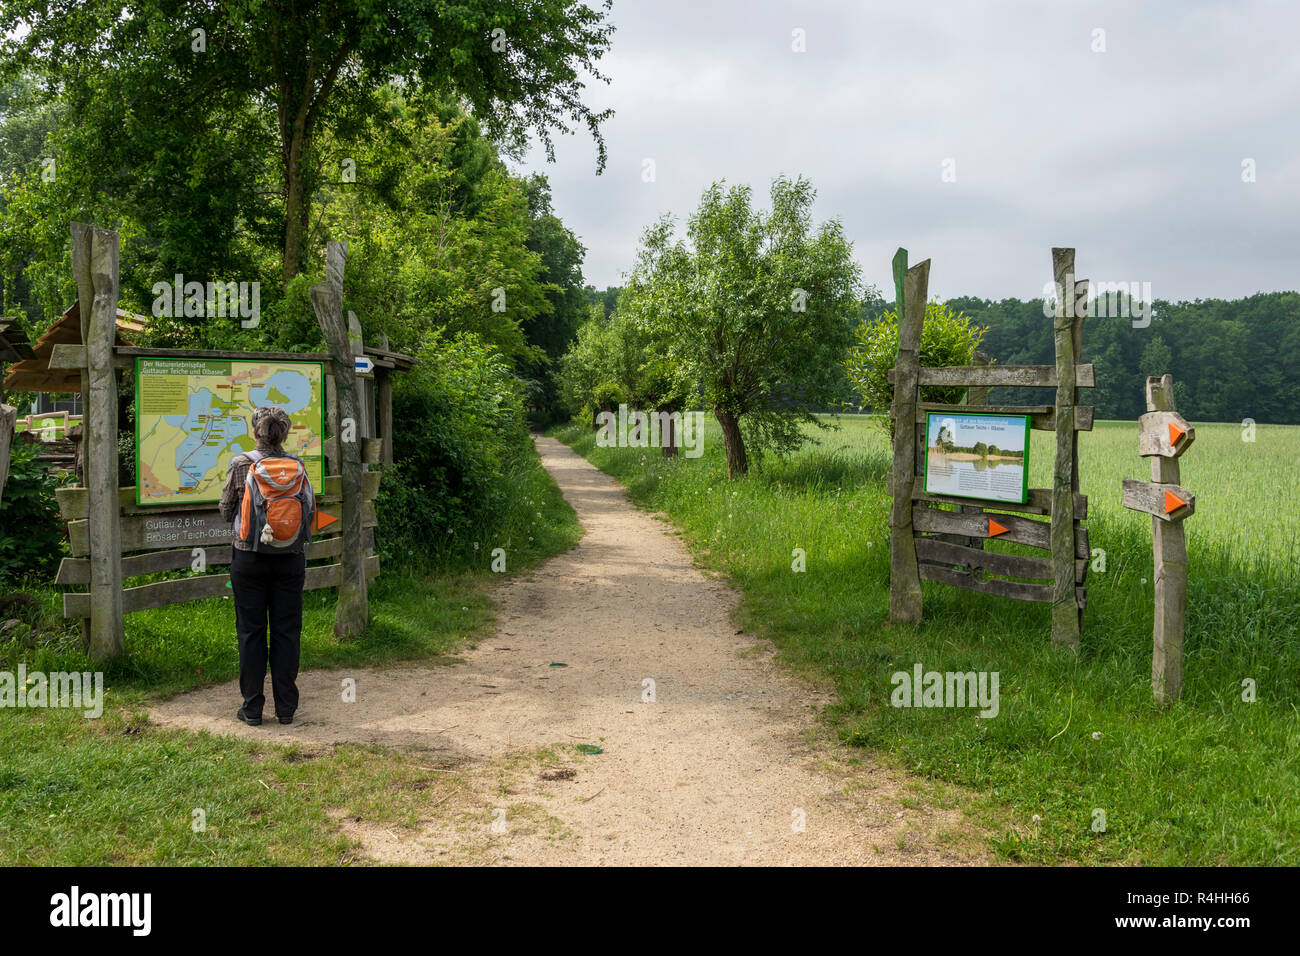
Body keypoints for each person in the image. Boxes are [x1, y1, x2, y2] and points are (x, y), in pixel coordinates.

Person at [218, 406, 314, 726]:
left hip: (249, 557)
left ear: (255, 432)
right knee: (287, 632)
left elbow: (224, 509)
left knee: (251, 632)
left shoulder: (241, 463)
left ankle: (253, 708)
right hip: (290, 559)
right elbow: (310, 511)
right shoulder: (297, 466)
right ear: (284, 434)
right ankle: (286, 708)